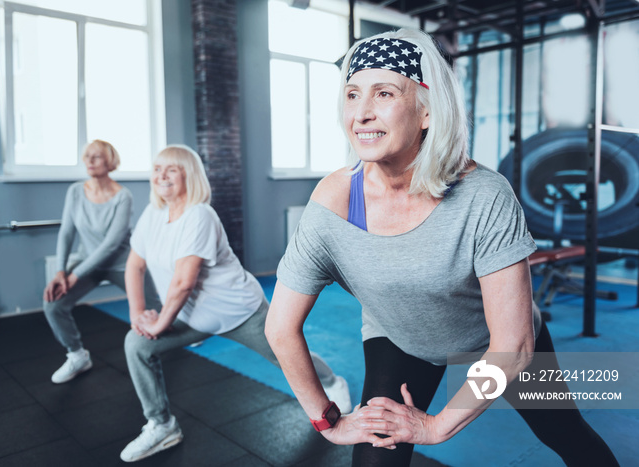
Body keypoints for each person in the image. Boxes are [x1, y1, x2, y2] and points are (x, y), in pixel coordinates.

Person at [265, 27, 619, 466]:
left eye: (384, 94)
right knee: (375, 460)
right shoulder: (335, 204)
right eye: (353, 95)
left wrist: (436, 425)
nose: (362, 113)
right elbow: (279, 329)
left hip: (495, 339)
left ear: (426, 111)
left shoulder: (483, 196)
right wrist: (328, 421)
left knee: (567, 435)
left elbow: (513, 346)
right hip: (399, 337)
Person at [119, 144, 351, 463]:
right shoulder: (153, 214)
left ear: (190, 176)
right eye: (157, 169)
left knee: (287, 358)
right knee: (137, 344)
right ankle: (161, 425)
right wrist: (136, 314)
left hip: (239, 313)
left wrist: (158, 323)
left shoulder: (199, 215)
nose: (162, 175)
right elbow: (134, 265)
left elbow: (184, 281)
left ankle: (332, 382)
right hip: (189, 315)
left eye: (172, 169)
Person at [44, 139, 160, 384]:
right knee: (53, 305)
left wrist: (74, 276)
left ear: (109, 162)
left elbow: (110, 244)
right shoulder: (76, 191)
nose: (89, 161)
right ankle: (77, 356)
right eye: (87, 156)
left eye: (96, 157)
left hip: (122, 264)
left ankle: (185, 332)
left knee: (156, 306)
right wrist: (60, 272)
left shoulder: (123, 196)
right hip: (88, 263)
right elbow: (66, 232)